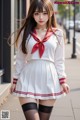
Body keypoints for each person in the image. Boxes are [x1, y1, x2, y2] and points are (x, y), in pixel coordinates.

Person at [10, 0, 70, 120]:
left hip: (49, 79)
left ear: (51, 13)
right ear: (32, 14)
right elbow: (21, 59)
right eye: (37, 13)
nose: (41, 17)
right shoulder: (25, 32)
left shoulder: (58, 33)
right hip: (28, 78)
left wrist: (62, 80)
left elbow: (59, 60)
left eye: (44, 13)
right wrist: (15, 80)